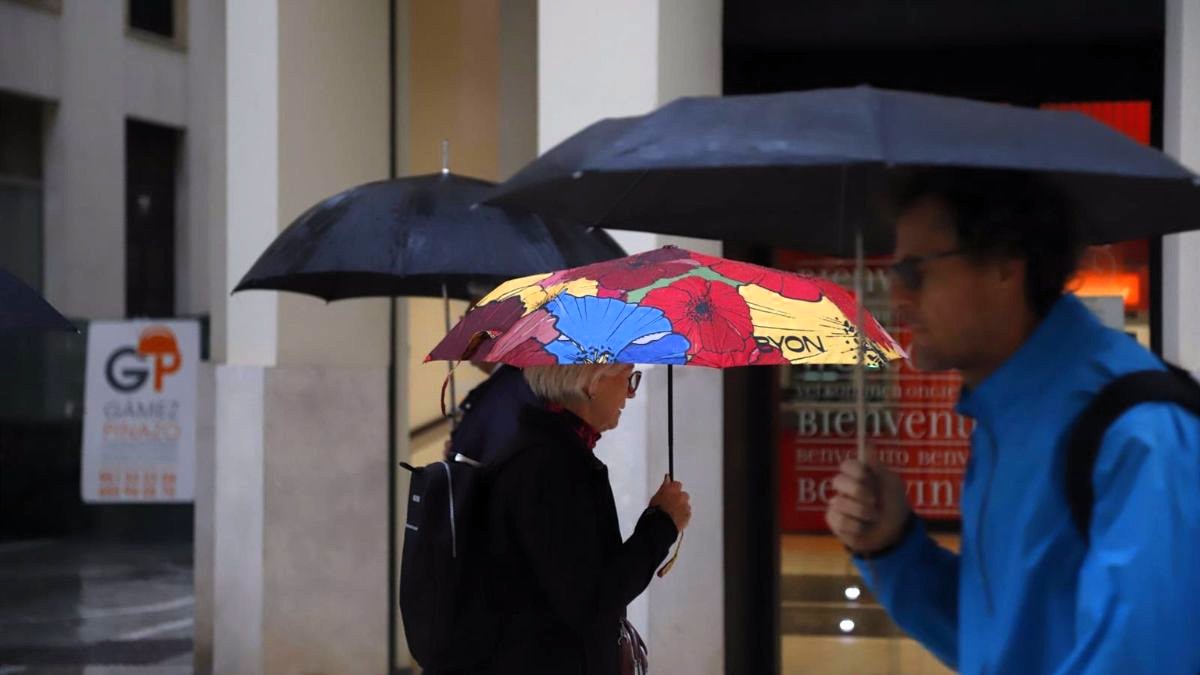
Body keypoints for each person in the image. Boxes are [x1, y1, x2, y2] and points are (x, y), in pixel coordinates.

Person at [825, 169, 1200, 673]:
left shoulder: (1136, 434)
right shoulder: (1009, 417)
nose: (896, 299)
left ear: (1005, 264)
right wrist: (893, 546)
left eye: (915, 273)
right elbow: (1004, 646)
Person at [477, 363, 689, 674]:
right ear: (591, 383)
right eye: (628, 377)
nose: (630, 394)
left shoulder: (547, 450)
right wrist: (662, 525)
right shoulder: (552, 467)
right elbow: (594, 599)